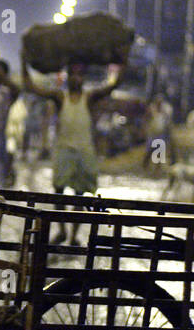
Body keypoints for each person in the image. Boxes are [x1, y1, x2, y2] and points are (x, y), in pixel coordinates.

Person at [23, 59, 121, 243]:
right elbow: (31, 87)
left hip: (84, 151)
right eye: (73, 74)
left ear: (83, 78)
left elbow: (113, 85)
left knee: (80, 196)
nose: (76, 78)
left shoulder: (89, 98)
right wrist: (24, 60)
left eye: (80, 74)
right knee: (58, 192)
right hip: (64, 149)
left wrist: (122, 61)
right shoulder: (60, 98)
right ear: (68, 77)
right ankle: (61, 231)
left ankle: (74, 235)